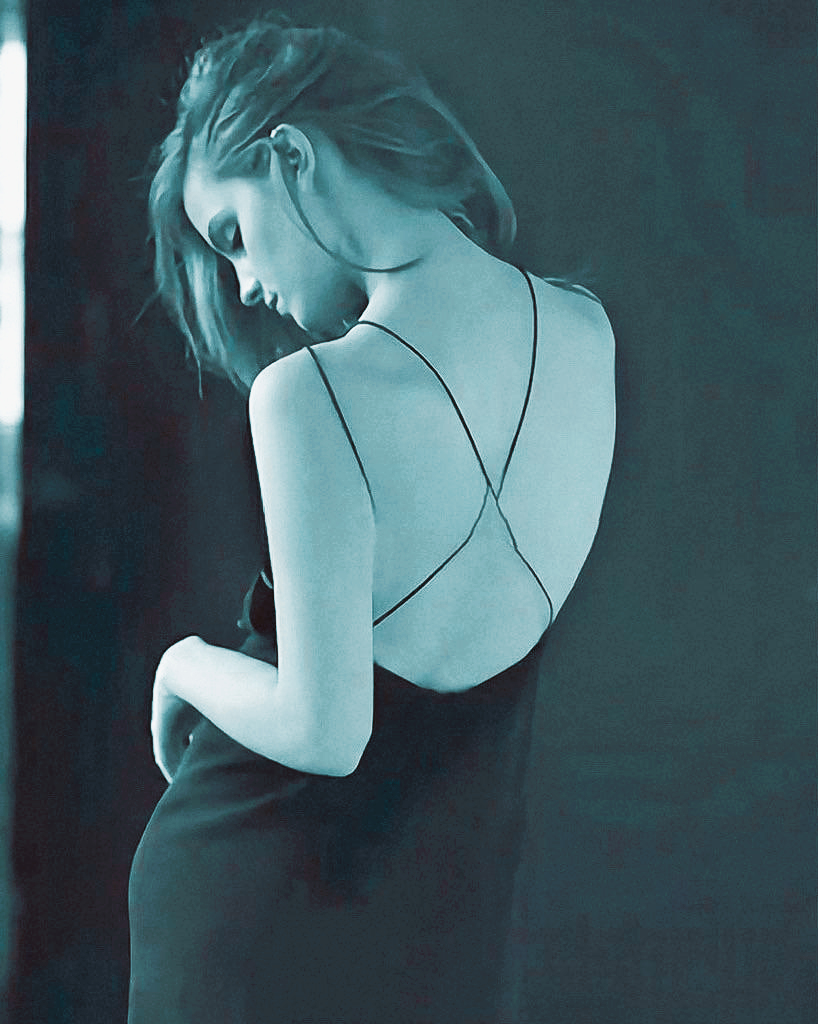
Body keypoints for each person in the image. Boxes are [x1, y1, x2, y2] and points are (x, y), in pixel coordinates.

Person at [128, 13, 616, 1023]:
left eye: (232, 236)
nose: (244, 285)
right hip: (444, 923)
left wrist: (179, 665)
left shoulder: (308, 394)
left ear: (292, 156)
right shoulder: (586, 333)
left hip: (253, 916)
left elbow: (324, 728)